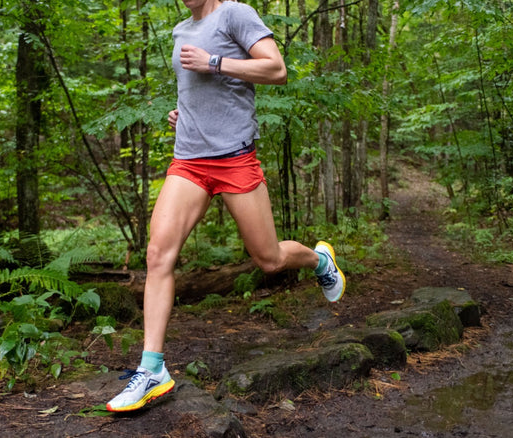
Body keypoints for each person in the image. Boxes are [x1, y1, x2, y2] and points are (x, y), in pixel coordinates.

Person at [106, 0, 345, 412]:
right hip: (189, 161)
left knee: (268, 260)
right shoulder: (182, 30)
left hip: (234, 160)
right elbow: (204, 89)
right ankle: (152, 369)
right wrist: (187, 113)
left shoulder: (235, 13)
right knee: (158, 254)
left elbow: (277, 70)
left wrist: (214, 61)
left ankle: (320, 261)